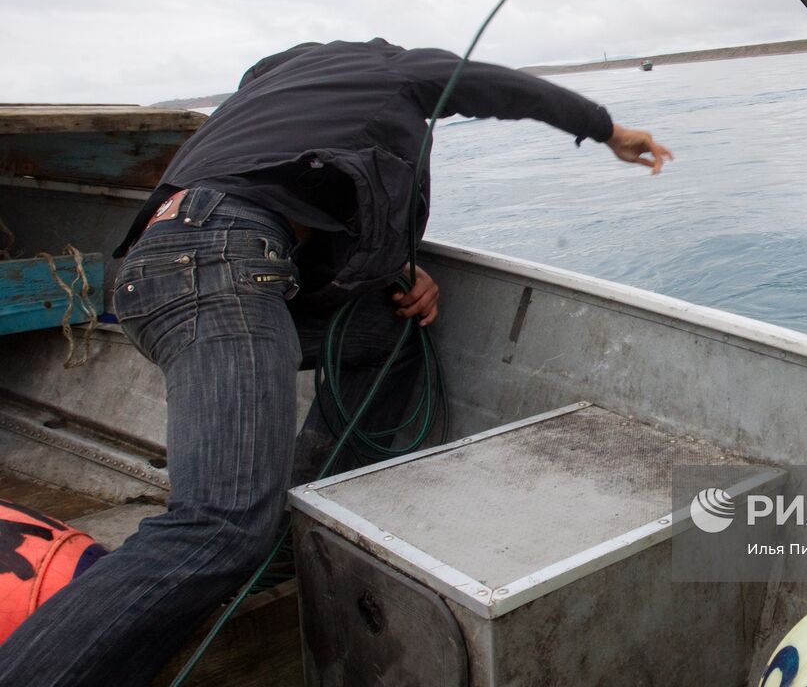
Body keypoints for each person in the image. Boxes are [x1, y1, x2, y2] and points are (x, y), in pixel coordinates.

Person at [0, 38, 673, 687]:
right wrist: (607, 128)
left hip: (154, 278)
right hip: (219, 266)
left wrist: (400, 275)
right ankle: (243, 543)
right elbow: (497, 85)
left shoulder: (258, 109)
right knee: (216, 525)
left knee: (386, 340)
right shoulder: (393, 69)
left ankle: (293, 532)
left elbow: (305, 239)